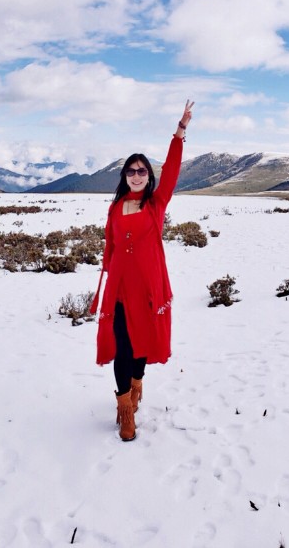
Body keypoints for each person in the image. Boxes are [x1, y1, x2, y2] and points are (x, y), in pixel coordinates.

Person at [92, 101, 193, 442]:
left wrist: (179, 132)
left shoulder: (156, 203)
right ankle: (125, 411)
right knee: (122, 347)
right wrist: (106, 274)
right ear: (124, 177)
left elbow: (174, 170)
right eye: (131, 171)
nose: (136, 175)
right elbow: (111, 245)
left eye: (142, 171)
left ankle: (137, 384)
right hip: (120, 287)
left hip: (147, 287)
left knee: (139, 348)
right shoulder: (115, 207)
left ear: (148, 177)